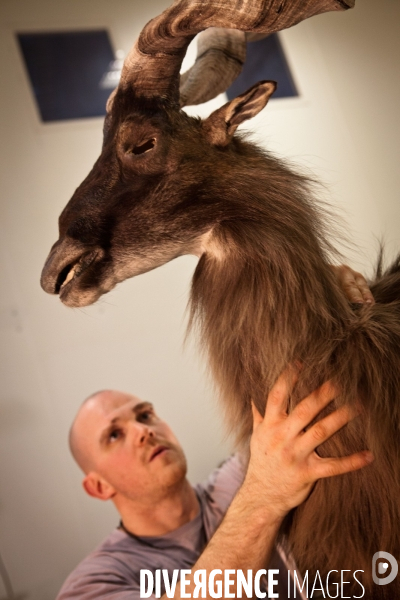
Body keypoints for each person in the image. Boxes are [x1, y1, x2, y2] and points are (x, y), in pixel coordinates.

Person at [57, 370, 373, 600]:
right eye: (114, 435)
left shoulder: (236, 480)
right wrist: (265, 498)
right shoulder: (93, 583)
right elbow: (263, 486)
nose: (143, 431)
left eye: (145, 415)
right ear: (99, 487)